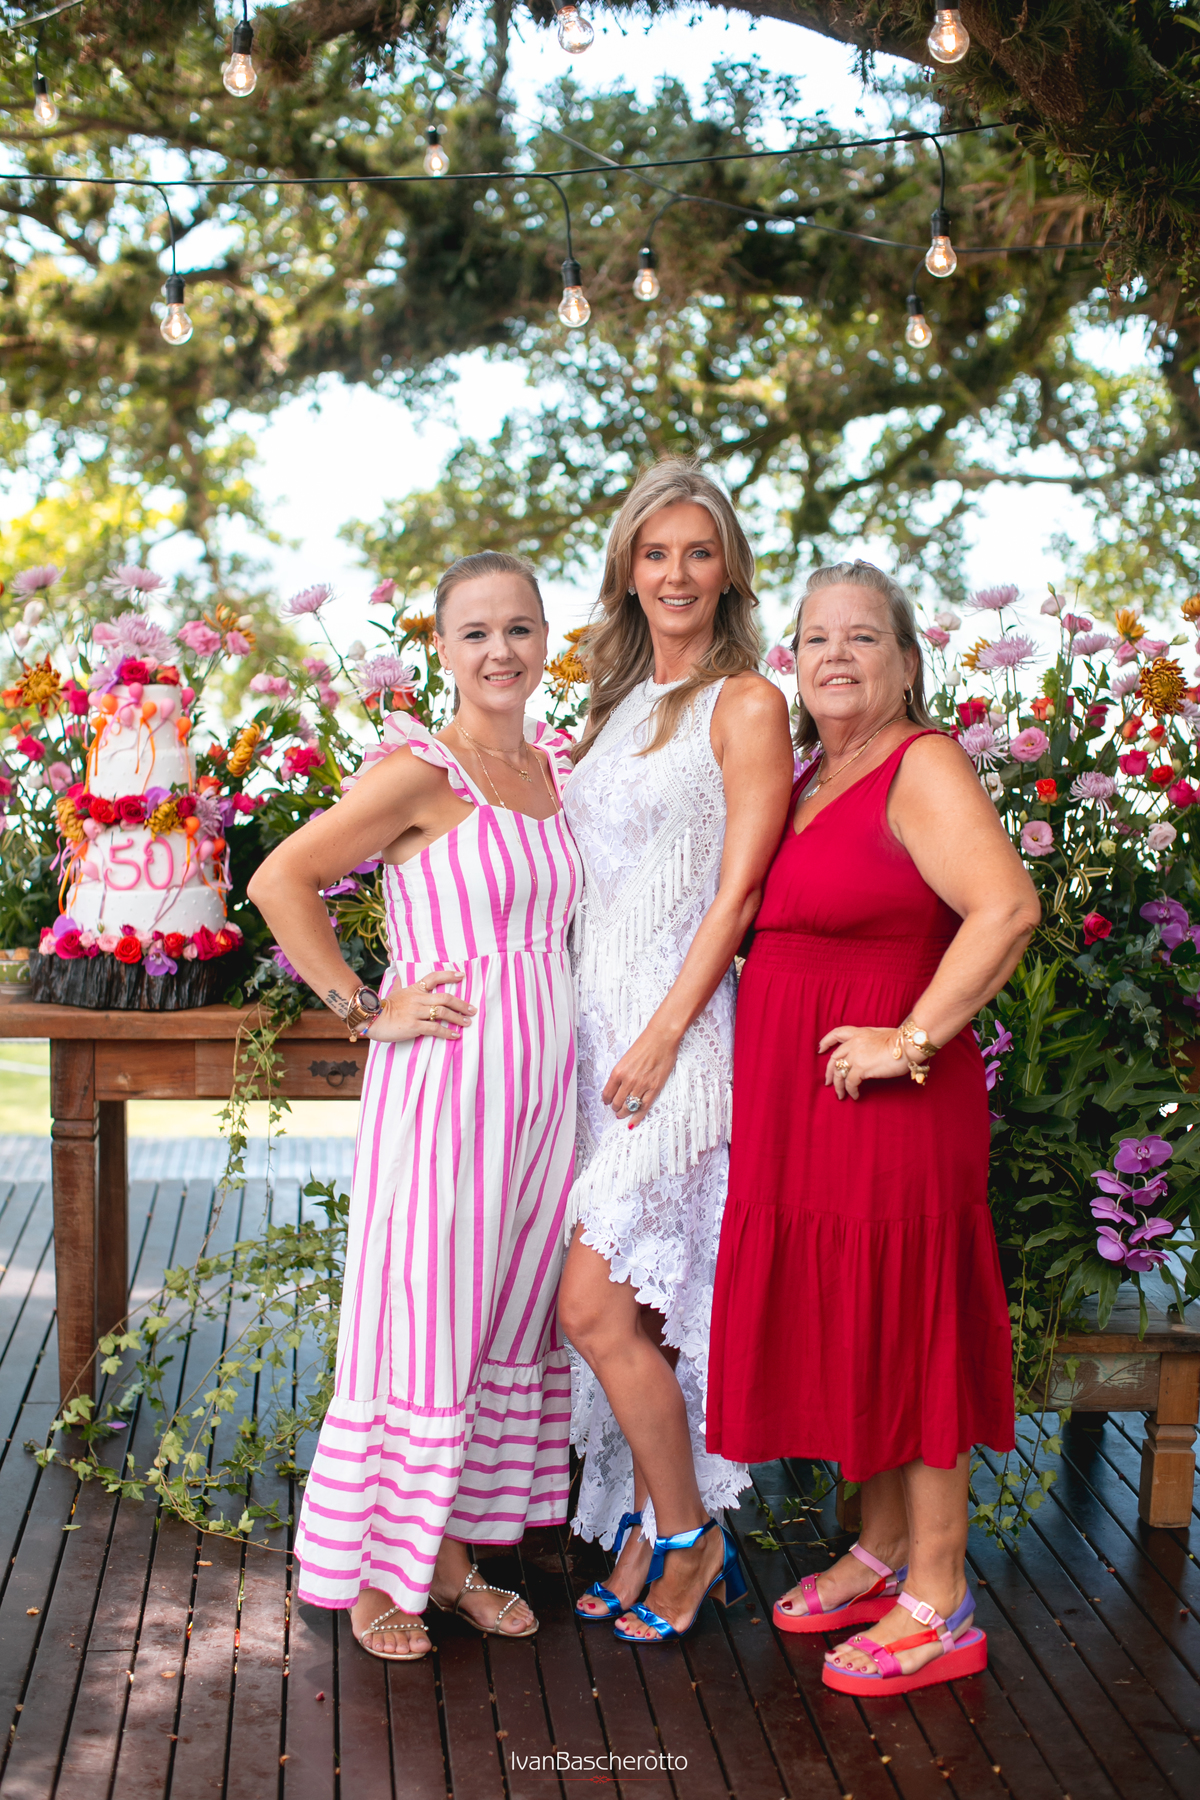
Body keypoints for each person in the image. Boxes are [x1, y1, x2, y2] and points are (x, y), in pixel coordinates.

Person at [706, 560, 1040, 1694]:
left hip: (891, 1101)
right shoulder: (812, 773)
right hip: (807, 1107)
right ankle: (885, 1545)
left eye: (863, 636)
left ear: (907, 660)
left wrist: (911, 1039)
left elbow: (1006, 907)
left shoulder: (921, 763)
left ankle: (942, 1597)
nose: (836, 655)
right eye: (816, 638)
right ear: (791, 661)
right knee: (863, 1320)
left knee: (908, 1322)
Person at [247, 551, 582, 1661]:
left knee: (498, 1321)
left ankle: (448, 1558)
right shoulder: (418, 774)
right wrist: (364, 1008)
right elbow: (280, 881)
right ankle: (375, 1575)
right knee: (424, 1322)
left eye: (519, 628)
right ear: (441, 648)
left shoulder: (550, 767)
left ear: (546, 641)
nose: (501, 651)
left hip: (542, 1101)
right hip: (449, 1087)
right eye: (475, 632)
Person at [556, 458, 795, 1644]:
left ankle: (696, 1538)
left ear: (731, 570)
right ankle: (651, 1526)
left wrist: (660, 1036)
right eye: (656, 554)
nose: (678, 573)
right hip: (598, 1049)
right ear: (628, 572)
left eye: (699, 552)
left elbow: (739, 891)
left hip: (682, 1048)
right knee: (638, 1314)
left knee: (592, 1308)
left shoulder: (746, 704)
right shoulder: (615, 707)